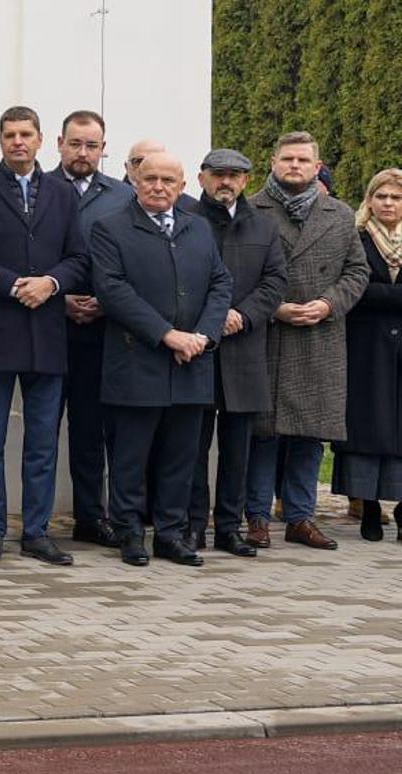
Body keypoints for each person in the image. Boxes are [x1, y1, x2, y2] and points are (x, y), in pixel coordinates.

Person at [0, 106, 88, 566]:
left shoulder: (62, 194)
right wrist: (14, 285)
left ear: (41, 139)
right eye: (10, 134)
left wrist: (50, 283)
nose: (18, 142)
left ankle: (36, 531)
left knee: (42, 442)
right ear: (0, 140)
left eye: (26, 134)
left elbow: (79, 258)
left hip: (47, 332)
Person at [89, 152, 232, 568]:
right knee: (130, 458)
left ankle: (170, 534)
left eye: (168, 180)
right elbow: (113, 291)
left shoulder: (198, 227)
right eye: (149, 178)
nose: (158, 186)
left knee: (180, 457)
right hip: (138, 362)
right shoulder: (110, 228)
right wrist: (168, 335)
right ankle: (130, 532)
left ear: (182, 186)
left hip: (191, 363)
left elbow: (220, 283)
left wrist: (203, 336)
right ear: (135, 180)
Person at [246, 131, 371, 551]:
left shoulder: (339, 213)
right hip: (268, 334)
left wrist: (328, 303)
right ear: (273, 163)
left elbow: (357, 271)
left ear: (317, 167)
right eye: (288, 159)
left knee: (309, 435)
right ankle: (257, 516)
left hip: (320, 335)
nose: (295, 165)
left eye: (303, 160)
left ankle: (300, 517)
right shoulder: (252, 211)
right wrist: (274, 307)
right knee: (263, 433)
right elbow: (237, 272)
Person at [182, 149, 286, 557]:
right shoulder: (185, 220)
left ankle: (229, 527)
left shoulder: (264, 225)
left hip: (244, 350)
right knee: (192, 447)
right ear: (202, 178)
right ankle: (193, 525)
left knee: (237, 449)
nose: (226, 181)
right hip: (198, 349)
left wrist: (242, 315)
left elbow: (275, 280)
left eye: (234, 175)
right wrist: (211, 318)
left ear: (246, 181)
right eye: (218, 174)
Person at [53, 111, 135, 549]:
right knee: (43, 430)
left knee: (92, 430)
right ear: (59, 144)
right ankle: (35, 519)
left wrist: (107, 301)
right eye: (75, 143)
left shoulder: (123, 196)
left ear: (104, 149)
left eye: (92, 145)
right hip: (48, 325)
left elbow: (136, 260)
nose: (82, 152)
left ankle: (91, 516)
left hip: (104, 330)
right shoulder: (40, 189)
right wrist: (60, 299)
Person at [334, 168, 402, 541]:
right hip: (364, 349)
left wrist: (377, 293)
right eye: (382, 196)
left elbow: (369, 291)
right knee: (367, 426)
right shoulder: (355, 239)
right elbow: (352, 290)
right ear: (369, 201)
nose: (388, 203)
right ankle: (369, 506)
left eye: (396, 197)